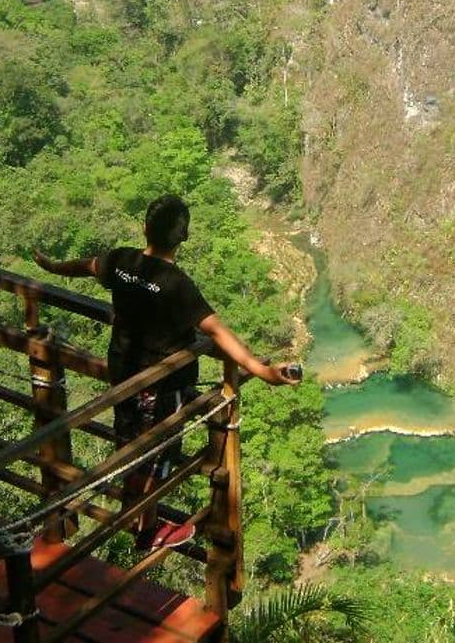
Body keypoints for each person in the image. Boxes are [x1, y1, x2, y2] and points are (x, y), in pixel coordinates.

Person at [34, 193, 300, 549]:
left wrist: (52, 267)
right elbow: (217, 332)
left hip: (123, 374)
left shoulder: (121, 261)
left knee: (130, 439)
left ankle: (136, 513)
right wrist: (263, 371)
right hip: (161, 385)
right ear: (183, 238)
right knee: (156, 454)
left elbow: (86, 266)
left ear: (144, 228)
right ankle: (147, 528)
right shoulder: (178, 286)